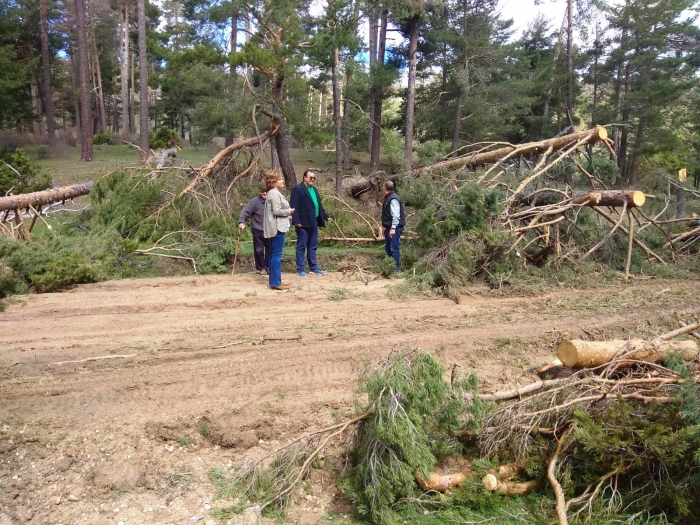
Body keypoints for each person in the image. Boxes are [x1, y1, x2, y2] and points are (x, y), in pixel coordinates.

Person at [289, 169, 331, 277]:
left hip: (314, 222)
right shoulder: (298, 189)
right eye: (311, 177)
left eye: (314, 178)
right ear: (305, 177)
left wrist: (325, 216)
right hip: (303, 223)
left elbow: (318, 205)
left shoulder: (314, 190)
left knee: (313, 246)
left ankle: (313, 267)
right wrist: (296, 220)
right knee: (301, 246)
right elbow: (294, 206)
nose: (312, 180)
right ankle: (300, 269)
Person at [263, 171, 295, 290]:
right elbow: (276, 211)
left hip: (278, 226)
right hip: (277, 228)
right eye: (280, 179)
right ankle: (275, 283)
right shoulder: (274, 194)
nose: (282, 181)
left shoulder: (274, 193)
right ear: (274, 182)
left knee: (275, 254)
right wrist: (289, 212)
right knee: (276, 255)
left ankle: (277, 281)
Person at [238, 183, 272, 275]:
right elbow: (245, 211)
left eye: (266, 191)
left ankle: (268, 267)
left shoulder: (272, 201)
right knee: (259, 250)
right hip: (258, 229)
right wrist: (241, 222)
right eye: (263, 191)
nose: (265, 193)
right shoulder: (255, 202)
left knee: (270, 249)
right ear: (259, 191)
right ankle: (260, 268)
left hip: (270, 229)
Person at [382, 180, 405, 274]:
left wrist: (392, 228)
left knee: (394, 249)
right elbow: (388, 215)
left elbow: (396, 215)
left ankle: (397, 269)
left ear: (384, 188)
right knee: (388, 249)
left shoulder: (393, 199)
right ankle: (391, 266)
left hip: (395, 228)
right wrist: (386, 227)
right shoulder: (389, 198)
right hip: (389, 227)